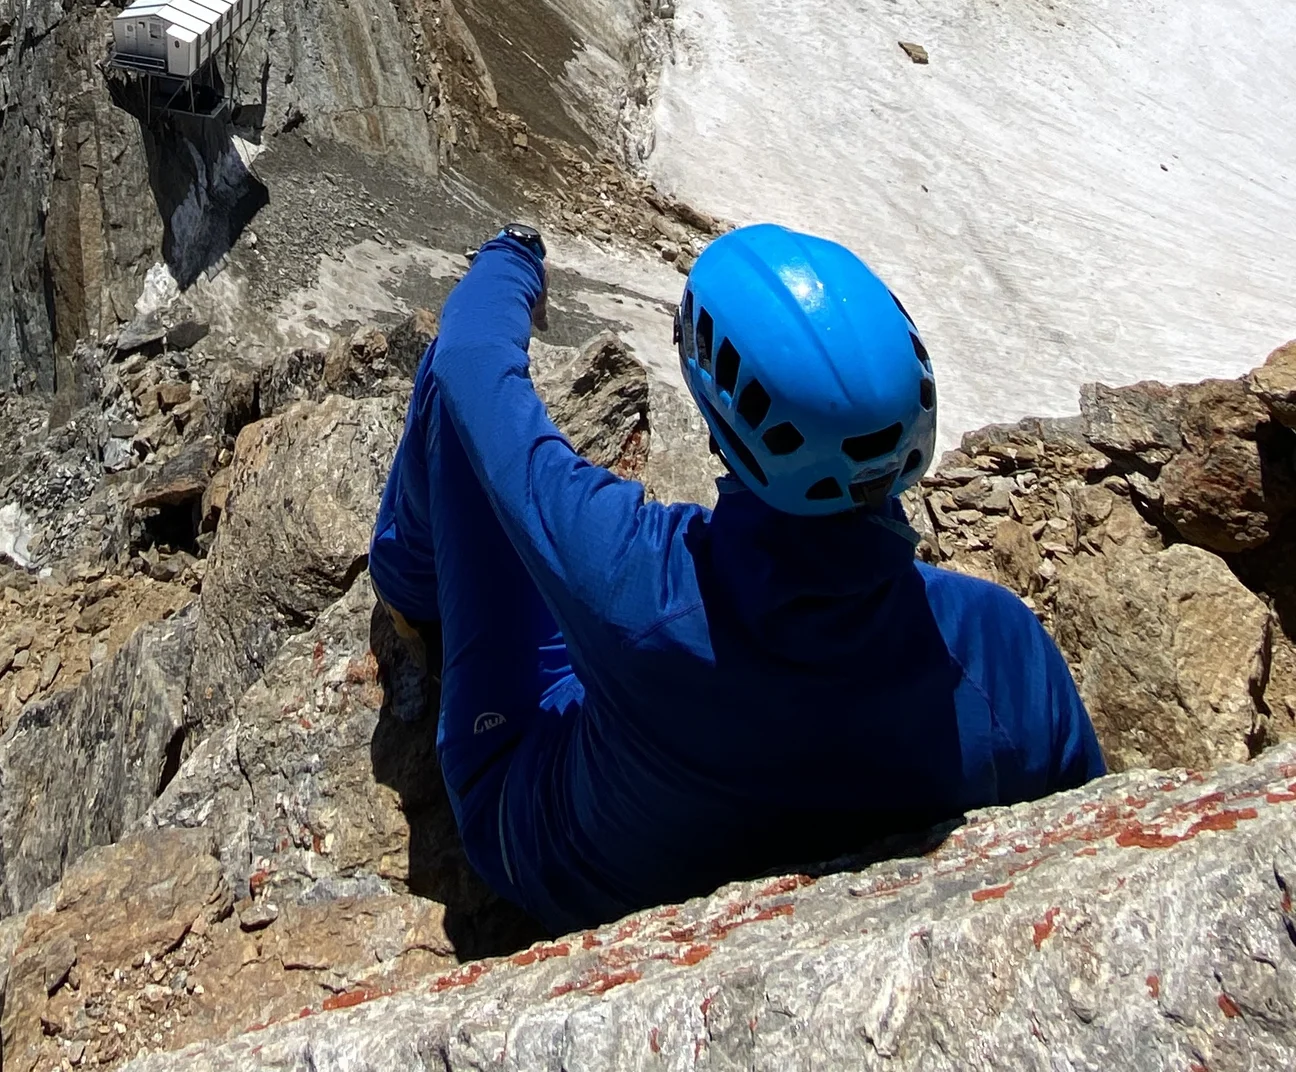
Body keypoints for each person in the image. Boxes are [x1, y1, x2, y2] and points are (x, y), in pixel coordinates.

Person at [369, 220, 1103, 933]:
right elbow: (1083, 837)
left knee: (456, 408)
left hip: (559, 863)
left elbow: (470, 359)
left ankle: (410, 594)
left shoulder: (641, 581)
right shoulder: (1002, 648)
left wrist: (514, 256)